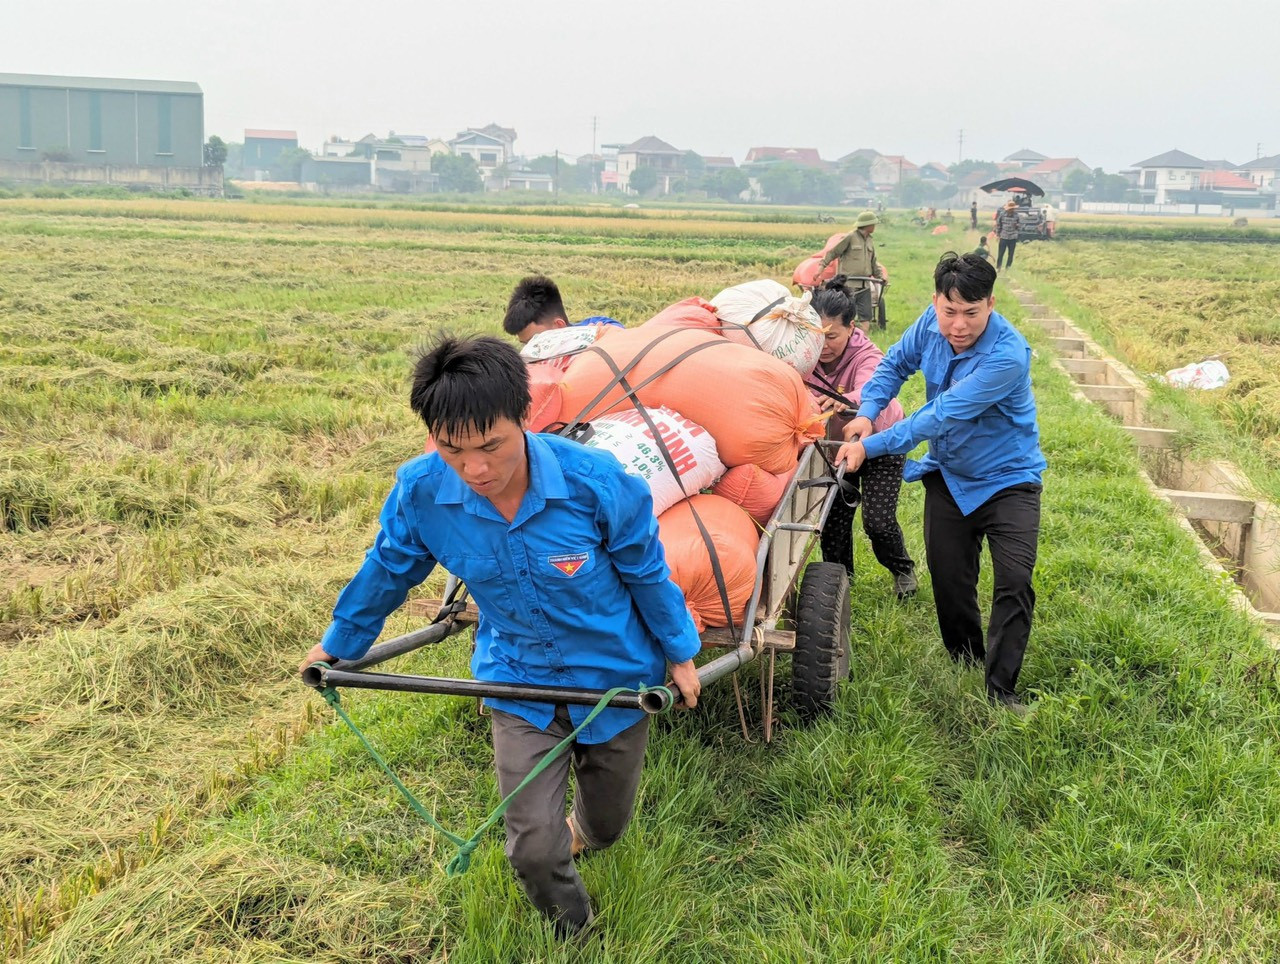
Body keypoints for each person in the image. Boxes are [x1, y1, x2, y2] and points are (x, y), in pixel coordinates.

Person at [298, 335, 702, 937]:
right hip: (517, 678)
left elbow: (646, 572)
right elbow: (388, 569)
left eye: (491, 446)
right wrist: (339, 644)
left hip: (615, 678)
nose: (476, 469)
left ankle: (585, 833)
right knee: (532, 848)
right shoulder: (421, 492)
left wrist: (681, 654)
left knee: (607, 825)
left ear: (525, 416)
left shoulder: (595, 483)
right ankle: (575, 932)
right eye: (453, 450)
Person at [834, 253, 1046, 712]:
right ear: (935, 302)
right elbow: (894, 365)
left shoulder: (1007, 356)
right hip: (949, 473)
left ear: (991, 304)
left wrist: (870, 447)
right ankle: (965, 657)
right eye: (950, 312)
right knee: (950, 580)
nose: (959, 325)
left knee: (1014, 580)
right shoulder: (929, 325)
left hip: (1008, 479)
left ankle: (1001, 689)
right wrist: (867, 412)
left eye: (972, 313)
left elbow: (941, 414)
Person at [805, 277, 917, 598]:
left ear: (851, 328)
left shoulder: (867, 354)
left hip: (880, 442)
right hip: (836, 447)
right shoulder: (804, 355)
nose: (824, 345)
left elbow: (872, 386)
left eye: (832, 336)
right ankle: (839, 582)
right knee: (833, 521)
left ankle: (902, 570)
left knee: (877, 521)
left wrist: (849, 400)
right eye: (817, 335)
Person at [503, 275, 624, 345]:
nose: (530, 350)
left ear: (559, 325)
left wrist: (595, 340)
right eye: (525, 344)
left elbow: (621, 336)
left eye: (535, 342)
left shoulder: (599, 328)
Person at [816, 210, 885, 328]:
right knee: (846, 313)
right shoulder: (850, 237)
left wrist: (880, 277)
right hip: (849, 284)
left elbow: (873, 261)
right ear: (867, 225)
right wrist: (821, 268)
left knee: (866, 315)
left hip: (865, 284)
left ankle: (864, 336)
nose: (874, 226)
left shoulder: (869, 240)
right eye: (873, 224)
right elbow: (833, 253)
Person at [993, 200, 1021, 270]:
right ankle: (998, 267)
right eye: (1010, 209)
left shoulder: (1017, 216)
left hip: (1013, 237)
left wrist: (1017, 226)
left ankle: (1007, 268)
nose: (1011, 210)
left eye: (1012, 209)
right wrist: (997, 234)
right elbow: (998, 225)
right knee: (1000, 253)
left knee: (1011, 254)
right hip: (1003, 236)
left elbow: (1020, 226)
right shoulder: (1002, 215)